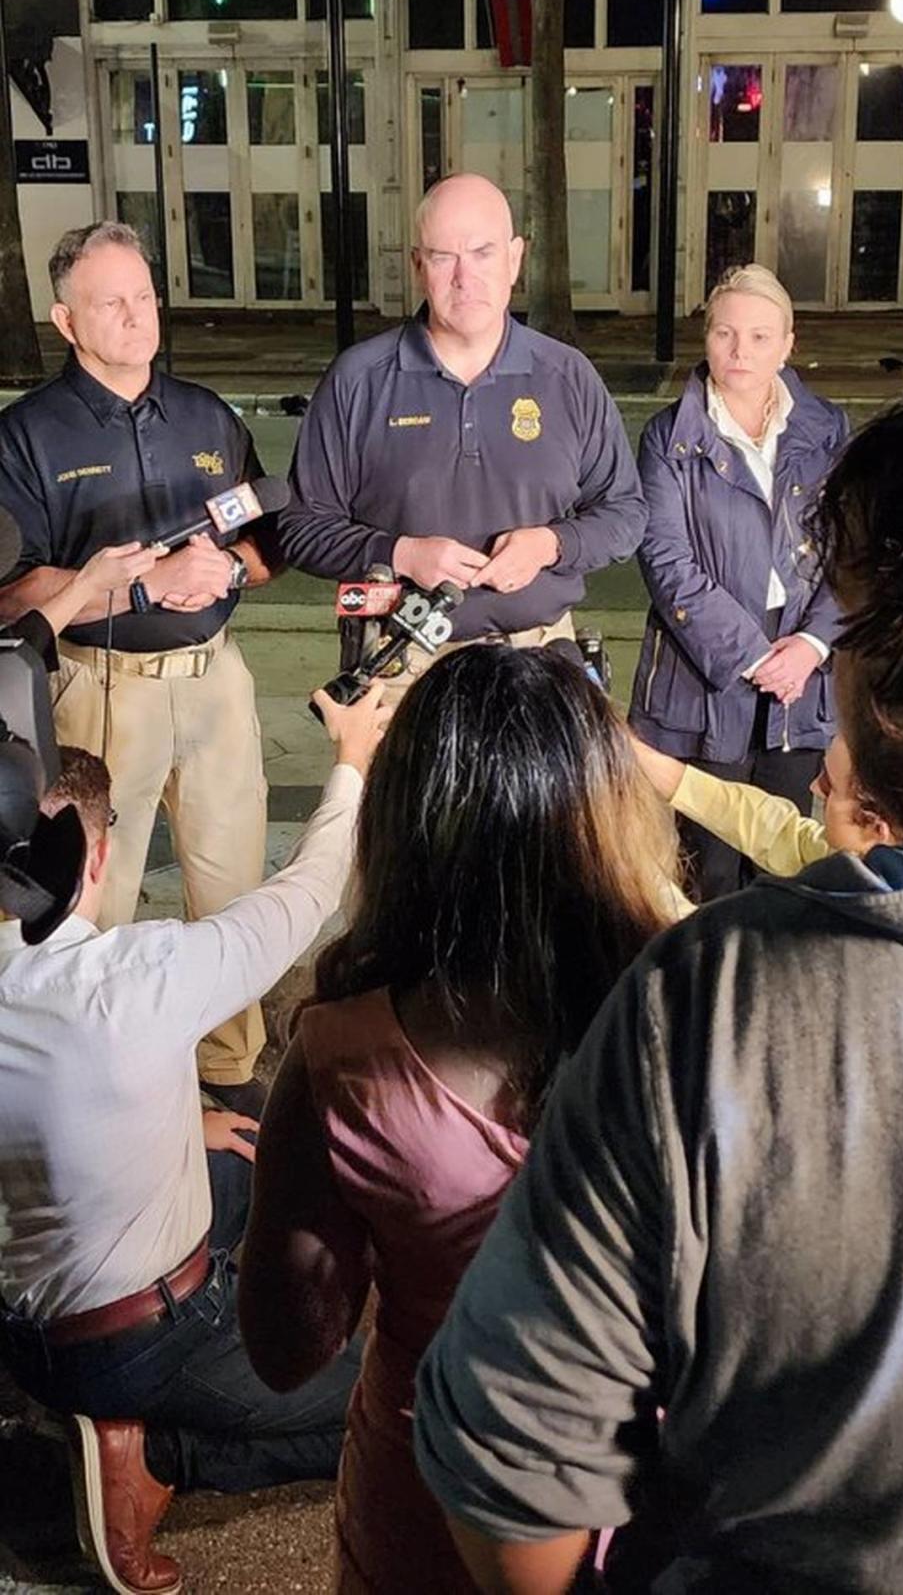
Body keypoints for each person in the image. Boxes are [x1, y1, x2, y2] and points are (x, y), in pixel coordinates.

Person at [415, 391, 903, 1592]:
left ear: (888, 687)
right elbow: (763, 822)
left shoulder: (711, 1005)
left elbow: (518, 1496)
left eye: (849, 620)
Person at [237, 643, 681, 1594]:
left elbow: (286, 1348)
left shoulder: (341, 1056)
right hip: (653, 1489)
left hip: (435, 1491)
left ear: (405, 822)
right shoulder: (697, 1014)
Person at [0, 683, 388, 1595]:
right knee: (395, 1404)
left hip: (26, 1317)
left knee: (235, 1151)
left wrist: (180, 1121)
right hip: (131, 1339)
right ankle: (157, 1454)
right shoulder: (144, 975)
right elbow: (310, 890)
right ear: (96, 858)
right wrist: (351, 762)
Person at [0, 221, 277, 1115]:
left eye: (145, 296)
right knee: (90, 889)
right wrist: (147, 584)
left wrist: (229, 569)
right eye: (110, 302)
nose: (136, 316)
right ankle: (94, 1072)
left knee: (231, 878)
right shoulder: (25, 436)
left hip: (215, 680)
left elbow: (267, 540)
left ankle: (230, 1069)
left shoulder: (207, 417)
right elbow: (13, 592)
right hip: (98, 686)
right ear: (64, 319)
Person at [278, 174, 646, 696]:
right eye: (443, 256)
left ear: (515, 259)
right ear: (417, 265)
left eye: (482, 252)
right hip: (401, 669)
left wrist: (551, 544)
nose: (464, 277)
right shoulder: (358, 380)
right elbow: (299, 528)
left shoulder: (568, 376)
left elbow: (626, 514)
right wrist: (399, 553)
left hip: (540, 664)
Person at [628, 263, 849, 900]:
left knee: (788, 860)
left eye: (759, 337)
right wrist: (753, 655)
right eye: (726, 333)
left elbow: (852, 548)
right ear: (708, 338)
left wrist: (811, 646)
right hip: (706, 670)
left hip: (801, 675)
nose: (740, 351)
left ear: (788, 342)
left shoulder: (827, 430)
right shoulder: (669, 438)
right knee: (706, 865)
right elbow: (666, 562)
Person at [633, 729, 893, 877]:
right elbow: (775, 830)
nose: (815, 787)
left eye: (830, 787)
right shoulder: (858, 860)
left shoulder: (854, 924)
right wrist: (633, 749)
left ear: (877, 830)